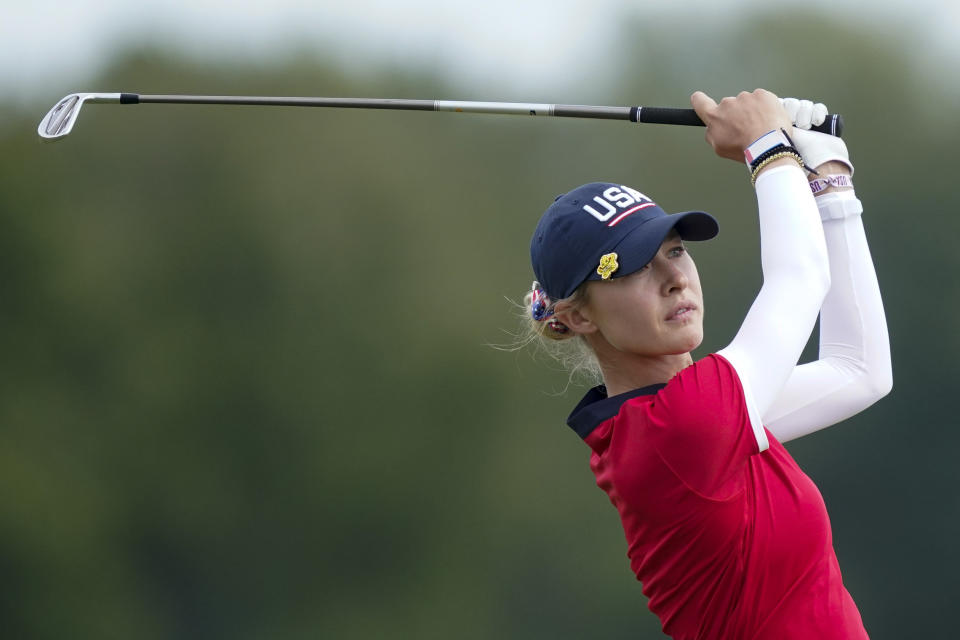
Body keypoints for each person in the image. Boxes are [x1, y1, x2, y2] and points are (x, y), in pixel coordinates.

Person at [521, 89, 891, 639]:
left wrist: (829, 179)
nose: (674, 278)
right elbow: (800, 279)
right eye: (631, 268)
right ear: (579, 317)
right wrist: (766, 147)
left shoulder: (688, 421)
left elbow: (858, 370)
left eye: (673, 249)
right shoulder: (681, 429)